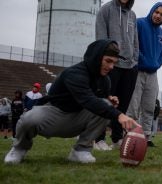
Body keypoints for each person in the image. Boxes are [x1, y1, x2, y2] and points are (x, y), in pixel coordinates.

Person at [4, 40, 139, 164]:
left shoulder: (105, 80)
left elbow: (97, 100)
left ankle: (81, 150)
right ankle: (19, 148)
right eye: (108, 61)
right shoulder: (75, 73)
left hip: (77, 118)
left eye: (114, 63)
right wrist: (119, 115)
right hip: (54, 115)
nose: (111, 67)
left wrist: (109, 99)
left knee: (106, 105)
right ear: (96, 58)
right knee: (28, 119)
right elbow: (88, 100)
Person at [95, 0, 139, 150]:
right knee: (106, 102)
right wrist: (107, 59)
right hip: (112, 65)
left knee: (123, 104)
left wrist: (135, 59)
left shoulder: (132, 15)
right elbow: (100, 36)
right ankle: (98, 138)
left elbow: (135, 40)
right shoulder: (105, 10)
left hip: (130, 66)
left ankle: (116, 138)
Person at [126, 2, 162, 147]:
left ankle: (146, 137)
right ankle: (129, 135)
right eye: (157, 12)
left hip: (152, 74)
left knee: (149, 107)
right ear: (152, 11)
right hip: (137, 71)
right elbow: (132, 44)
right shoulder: (140, 23)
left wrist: (156, 64)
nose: (158, 16)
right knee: (133, 106)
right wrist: (142, 60)